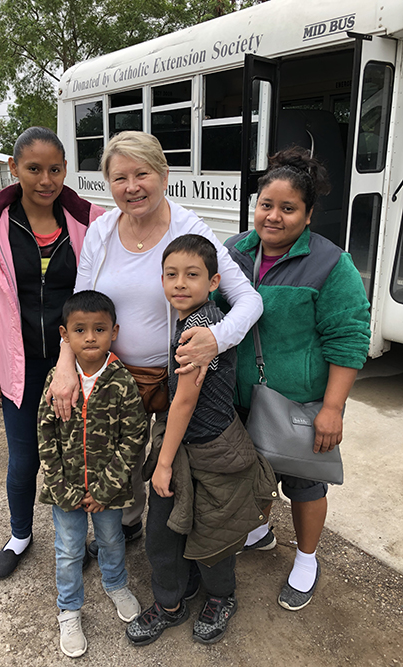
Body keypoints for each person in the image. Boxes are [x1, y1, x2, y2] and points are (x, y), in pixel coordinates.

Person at [48, 131, 264, 556]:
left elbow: (249, 300)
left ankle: (182, 547)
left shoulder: (188, 229)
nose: (132, 187)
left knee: (169, 461)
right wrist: (65, 365)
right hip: (111, 376)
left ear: (164, 174)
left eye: (142, 173)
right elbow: (79, 308)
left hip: (172, 378)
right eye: (119, 177)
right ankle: (126, 527)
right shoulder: (102, 231)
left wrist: (215, 339)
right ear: (107, 183)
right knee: (116, 457)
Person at [221, 147, 371, 611]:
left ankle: (306, 559)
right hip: (238, 397)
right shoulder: (233, 252)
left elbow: (349, 339)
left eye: (289, 209)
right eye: (267, 204)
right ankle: (261, 531)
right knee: (251, 473)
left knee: (304, 484)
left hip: (298, 403)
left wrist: (332, 409)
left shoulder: (331, 264)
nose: (274, 216)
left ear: (307, 216)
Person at [0, 127, 105, 579]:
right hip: (18, 364)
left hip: (80, 361)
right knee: (25, 459)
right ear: (13, 168)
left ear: (66, 170)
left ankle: (85, 538)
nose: (46, 180)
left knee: (81, 453)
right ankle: (20, 534)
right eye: (34, 168)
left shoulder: (92, 222)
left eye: (55, 169)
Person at [126, 234, 277, 646]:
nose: (179, 283)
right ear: (161, 280)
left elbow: (185, 401)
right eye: (171, 275)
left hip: (211, 448)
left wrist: (162, 462)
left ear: (213, 282)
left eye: (192, 275)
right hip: (182, 445)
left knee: (214, 533)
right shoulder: (188, 320)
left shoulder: (200, 328)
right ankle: (170, 602)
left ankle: (220, 596)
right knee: (162, 528)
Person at [38, 290, 147, 658]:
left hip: (109, 493)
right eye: (80, 330)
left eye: (99, 329)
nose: (89, 337)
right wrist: (61, 487)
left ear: (113, 331)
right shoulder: (58, 380)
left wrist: (105, 489)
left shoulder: (121, 381)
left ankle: (115, 585)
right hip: (65, 491)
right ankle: (69, 609)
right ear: (64, 336)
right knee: (68, 550)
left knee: (112, 540)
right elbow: (45, 432)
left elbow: (134, 437)